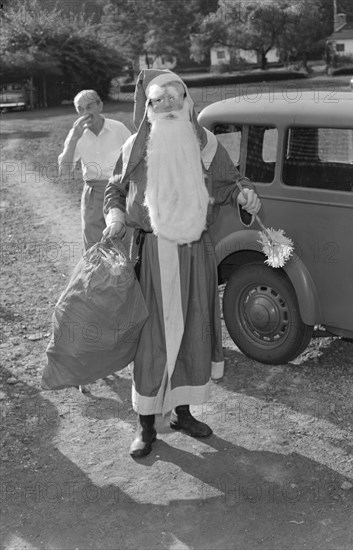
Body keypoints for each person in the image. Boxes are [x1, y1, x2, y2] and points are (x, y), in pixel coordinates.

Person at [103, 69, 261, 459]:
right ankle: (145, 425)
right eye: (160, 99)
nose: (169, 104)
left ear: (188, 100)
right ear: (150, 107)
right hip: (152, 255)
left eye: (177, 97)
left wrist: (244, 196)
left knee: (192, 328)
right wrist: (115, 217)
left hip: (194, 253)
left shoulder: (205, 144)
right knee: (152, 337)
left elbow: (229, 183)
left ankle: (184, 413)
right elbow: (115, 189)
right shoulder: (134, 147)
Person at [58, 89, 131, 250]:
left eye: (90, 106)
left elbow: (136, 160)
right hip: (93, 193)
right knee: (93, 246)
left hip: (120, 191)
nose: (86, 113)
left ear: (100, 105)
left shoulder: (118, 129)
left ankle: (124, 275)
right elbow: (65, 170)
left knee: (123, 243)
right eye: (80, 109)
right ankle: (96, 275)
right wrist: (73, 139)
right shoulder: (76, 134)